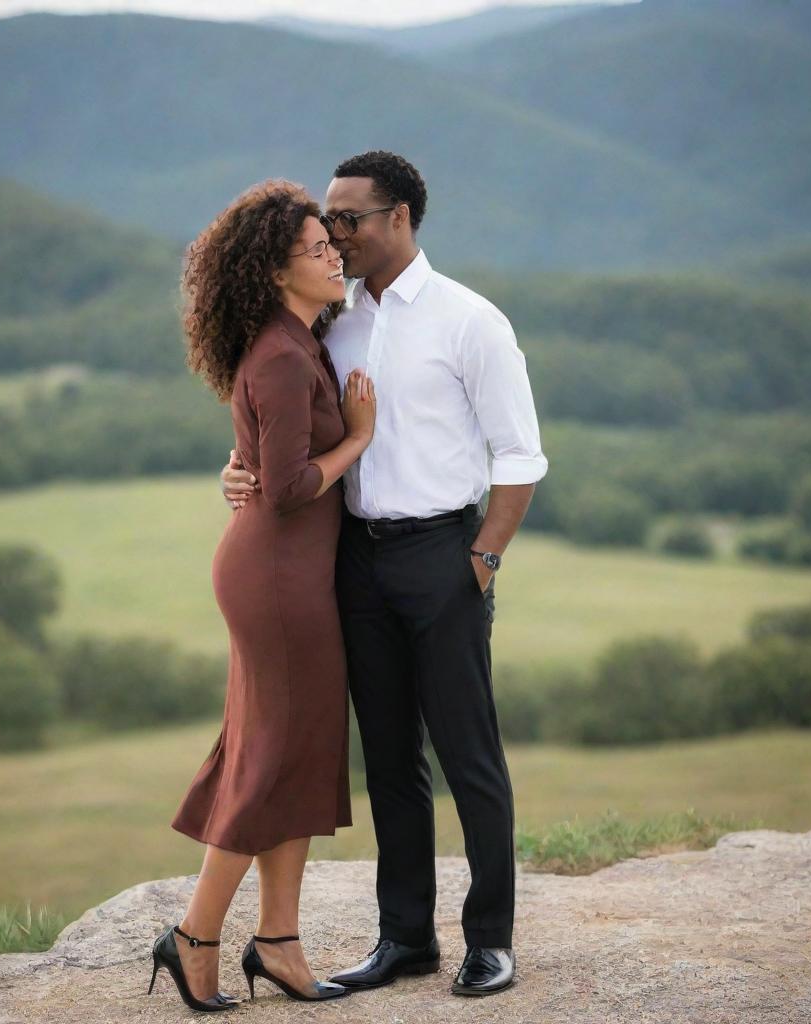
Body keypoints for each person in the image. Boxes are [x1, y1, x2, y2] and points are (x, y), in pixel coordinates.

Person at [221, 151, 548, 998]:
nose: (336, 235)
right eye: (329, 223)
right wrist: (237, 466)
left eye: (351, 219)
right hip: (355, 561)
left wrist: (481, 560)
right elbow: (284, 411)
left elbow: (520, 457)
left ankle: (491, 940)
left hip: (444, 555)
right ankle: (405, 937)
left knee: (469, 753)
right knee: (391, 759)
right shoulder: (336, 319)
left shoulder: (471, 321)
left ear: (400, 217)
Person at [149, 180, 377, 1013]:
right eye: (319, 250)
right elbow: (283, 489)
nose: (334, 257)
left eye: (332, 245)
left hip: (286, 575)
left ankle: (278, 942)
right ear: (278, 271)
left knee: (298, 753)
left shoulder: (297, 339)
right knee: (272, 759)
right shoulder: (285, 354)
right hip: (277, 580)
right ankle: (194, 935)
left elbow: (261, 451)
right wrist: (358, 438)